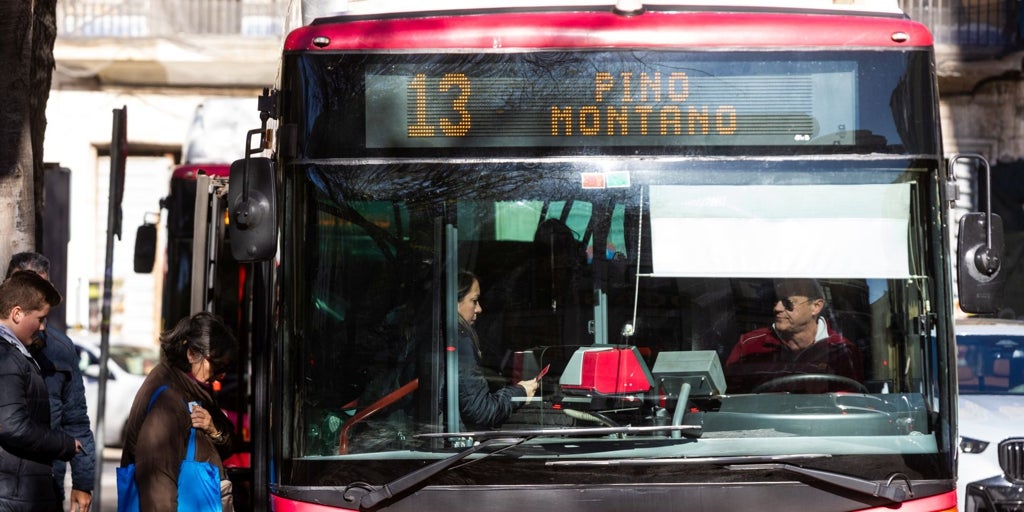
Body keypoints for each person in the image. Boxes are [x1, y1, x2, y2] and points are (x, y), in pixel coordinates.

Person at [120, 312, 238, 512]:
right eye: (217, 365)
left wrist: (213, 430)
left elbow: (226, 444)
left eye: (225, 367)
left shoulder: (191, 390)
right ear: (192, 353)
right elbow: (157, 485)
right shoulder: (168, 400)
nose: (221, 375)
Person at [6, 252, 95, 512]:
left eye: (43, 289)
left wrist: (83, 481)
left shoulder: (61, 350)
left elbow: (76, 419)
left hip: (46, 484)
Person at [724, 279, 864, 393]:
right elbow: (730, 399)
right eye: (776, 301)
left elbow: (851, 405)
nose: (777, 308)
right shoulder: (749, 345)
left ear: (816, 306)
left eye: (788, 303)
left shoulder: (841, 350)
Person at [457, 270, 539, 429]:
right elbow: (481, 411)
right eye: (474, 300)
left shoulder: (431, 337)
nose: (479, 309)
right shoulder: (459, 342)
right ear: (454, 302)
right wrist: (520, 392)